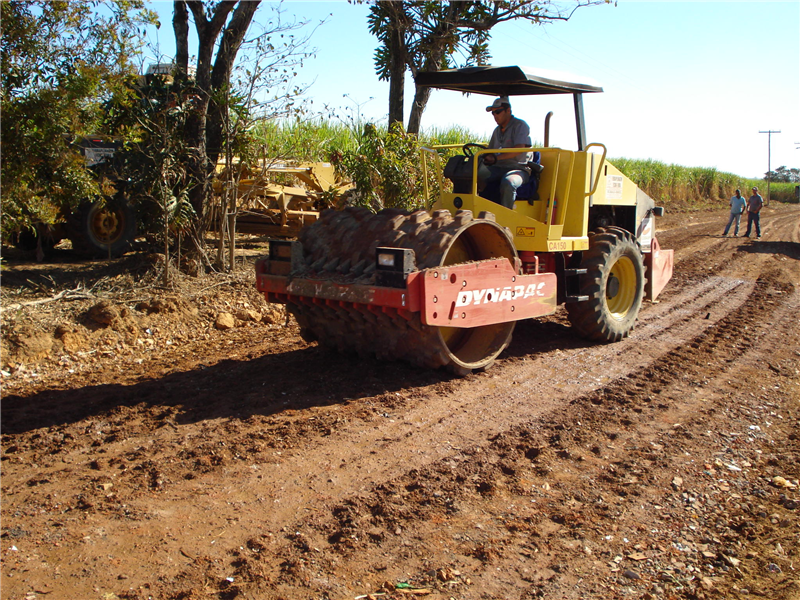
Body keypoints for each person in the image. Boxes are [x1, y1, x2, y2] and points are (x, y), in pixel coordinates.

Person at [481, 96, 532, 209]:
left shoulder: (520, 126)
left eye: (498, 112)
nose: (495, 116)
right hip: (499, 168)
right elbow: (491, 151)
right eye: (493, 113)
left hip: (518, 169)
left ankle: (505, 219)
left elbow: (519, 149)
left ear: (508, 110)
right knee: (475, 176)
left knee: (509, 182)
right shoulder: (497, 131)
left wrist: (496, 159)